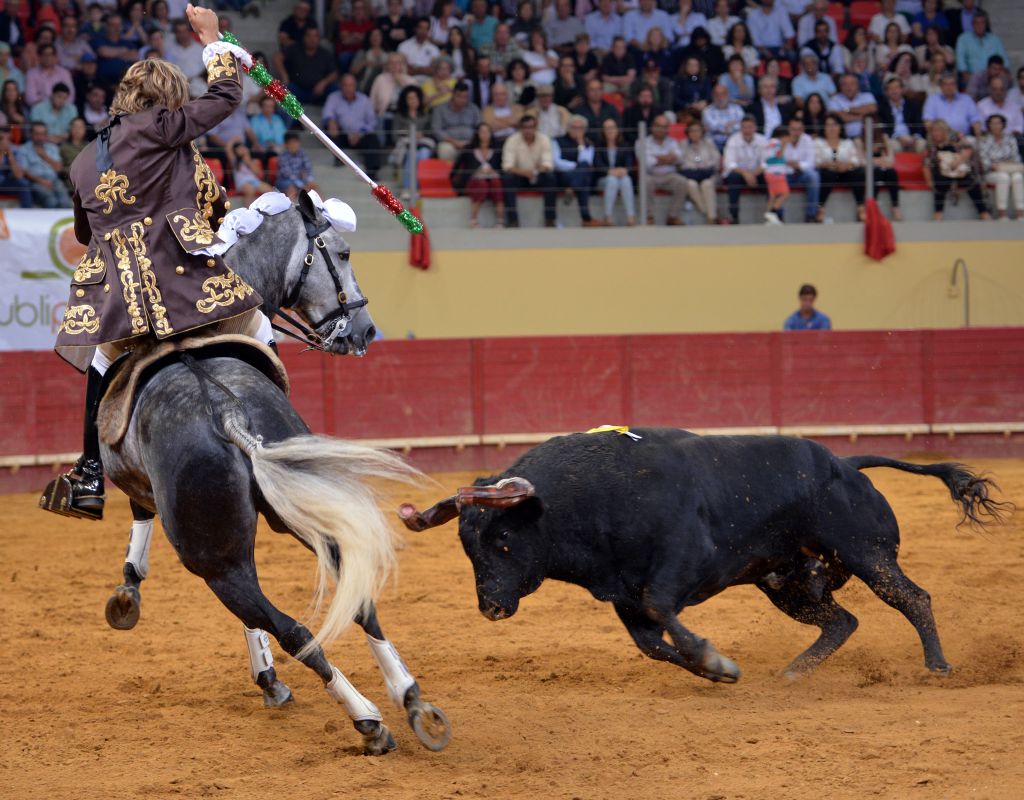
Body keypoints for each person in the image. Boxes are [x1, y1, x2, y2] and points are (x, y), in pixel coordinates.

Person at [48, 5, 267, 520]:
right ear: (166, 100)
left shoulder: (83, 160)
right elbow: (226, 96)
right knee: (258, 323)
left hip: (121, 305)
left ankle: (89, 473)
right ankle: (275, 434)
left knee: (102, 362)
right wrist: (212, 41)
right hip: (181, 285)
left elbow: (84, 234)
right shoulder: (161, 126)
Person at [500, 113, 556, 228]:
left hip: (538, 175)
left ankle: (550, 219)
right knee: (507, 179)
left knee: (550, 178)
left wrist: (536, 171)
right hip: (519, 176)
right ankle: (513, 220)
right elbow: (507, 166)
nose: (528, 130)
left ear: (536, 127)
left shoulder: (544, 139)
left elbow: (548, 163)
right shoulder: (512, 140)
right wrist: (526, 173)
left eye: (531, 127)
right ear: (520, 128)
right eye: (525, 127)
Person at [323, 73, 382, 180]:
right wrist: (331, 121)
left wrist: (360, 133)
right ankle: (338, 159)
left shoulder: (364, 99)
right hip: (342, 134)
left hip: (360, 135)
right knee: (330, 128)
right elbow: (327, 114)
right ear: (341, 86)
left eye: (351, 85)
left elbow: (372, 122)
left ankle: (372, 173)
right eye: (345, 85)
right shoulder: (333, 97)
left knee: (373, 139)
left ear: (355, 86)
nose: (348, 88)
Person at [815, 113, 866, 221]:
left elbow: (856, 159)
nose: (831, 128)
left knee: (858, 173)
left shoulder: (847, 142)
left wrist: (847, 165)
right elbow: (815, 160)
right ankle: (820, 208)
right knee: (827, 175)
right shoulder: (818, 142)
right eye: (828, 125)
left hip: (845, 172)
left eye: (834, 125)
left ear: (840, 127)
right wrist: (827, 164)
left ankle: (861, 208)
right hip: (827, 172)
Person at [641, 114, 686, 225]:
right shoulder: (644, 142)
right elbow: (648, 163)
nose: (661, 129)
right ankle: (649, 217)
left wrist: (658, 158)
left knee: (682, 182)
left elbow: (680, 159)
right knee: (645, 182)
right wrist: (669, 158)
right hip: (651, 175)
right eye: (659, 126)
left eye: (665, 127)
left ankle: (672, 216)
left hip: (669, 175)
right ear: (653, 127)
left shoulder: (672, 142)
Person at [553, 113, 597, 226]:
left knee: (585, 172)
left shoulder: (588, 144)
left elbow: (587, 161)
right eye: (574, 127)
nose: (577, 130)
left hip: (578, 177)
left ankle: (571, 189)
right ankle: (586, 217)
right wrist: (575, 166)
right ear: (568, 128)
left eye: (580, 128)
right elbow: (556, 162)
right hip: (563, 176)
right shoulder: (557, 141)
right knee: (584, 176)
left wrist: (581, 143)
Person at [722, 114, 766, 224]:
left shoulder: (762, 140)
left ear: (755, 128)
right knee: (733, 178)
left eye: (750, 127)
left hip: (757, 173)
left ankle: (774, 213)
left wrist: (753, 174)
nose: (747, 130)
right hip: (739, 174)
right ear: (740, 128)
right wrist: (746, 174)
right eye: (744, 127)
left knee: (771, 177)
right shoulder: (733, 140)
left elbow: (766, 163)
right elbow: (730, 164)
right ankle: (734, 216)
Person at [275, 26, 337, 104]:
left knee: (335, 89)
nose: (312, 39)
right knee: (284, 89)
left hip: (318, 92)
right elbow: (277, 58)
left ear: (319, 39)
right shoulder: (295, 49)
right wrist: (284, 75)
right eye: (309, 36)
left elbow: (334, 73)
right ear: (304, 37)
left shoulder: (324, 53)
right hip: (298, 90)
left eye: (315, 36)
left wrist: (323, 83)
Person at [979, 114, 1024, 221]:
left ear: (1003, 125)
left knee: (1018, 177)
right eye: (993, 123)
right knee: (1003, 177)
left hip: (1010, 169)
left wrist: (1002, 163)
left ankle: (1020, 213)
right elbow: (985, 161)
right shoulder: (984, 140)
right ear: (989, 125)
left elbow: (1016, 157)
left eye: (998, 123)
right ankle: (1002, 213)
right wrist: (996, 165)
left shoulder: (1010, 138)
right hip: (991, 172)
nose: (996, 126)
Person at [17, 121, 71, 207]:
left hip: (54, 181)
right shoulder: (23, 149)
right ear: (31, 134)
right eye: (37, 134)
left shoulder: (53, 148)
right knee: (51, 201)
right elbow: (24, 171)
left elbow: (58, 168)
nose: (40, 137)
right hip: (35, 182)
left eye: (42, 134)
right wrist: (41, 181)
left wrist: (44, 156)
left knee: (65, 202)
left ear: (46, 135)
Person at [593, 116, 634, 226]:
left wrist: (623, 170)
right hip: (603, 179)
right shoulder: (598, 145)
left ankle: (630, 216)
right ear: (603, 131)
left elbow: (629, 164)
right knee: (612, 180)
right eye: (607, 128)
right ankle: (608, 216)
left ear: (617, 129)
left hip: (621, 177)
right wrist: (609, 172)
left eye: (612, 128)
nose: (610, 131)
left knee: (626, 180)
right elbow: (597, 164)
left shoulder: (625, 145)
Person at [679, 119, 719, 224]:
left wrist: (704, 166)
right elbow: (682, 163)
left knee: (707, 184)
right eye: (692, 131)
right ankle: (706, 211)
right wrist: (696, 167)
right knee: (690, 184)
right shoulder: (683, 144)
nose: (695, 133)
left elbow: (716, 160)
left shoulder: (708, 143)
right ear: (688, 132)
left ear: (702, 132)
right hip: (691, 175)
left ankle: (711, 217)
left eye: (697, 130)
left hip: (708, 174)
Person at [955, 10, 1006, 90]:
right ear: (972, 25)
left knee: (1005, 81)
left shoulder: (995, 40)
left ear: (986, 24)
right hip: (971, 77)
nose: (980, 25)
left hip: (993, 77)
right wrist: (968, 76)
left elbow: (1004, 60)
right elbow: (960, 61)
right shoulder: (963, 39)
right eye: (977, 23)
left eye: (982, 23)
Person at [782, 113, 819, 222]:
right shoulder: (782, 141)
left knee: (813, 176)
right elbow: (778, 163)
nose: (796, 132)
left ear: (803, 129)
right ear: (788, 129)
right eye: (793, 129)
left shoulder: (807, 140)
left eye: (799, 129)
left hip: (802, 174)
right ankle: (778, 216)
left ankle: (811, 215)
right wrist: (784, 146)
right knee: (776, 177)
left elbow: (811, 163)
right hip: (786, 175)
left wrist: (796, 165)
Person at [922, 72, 980, 137]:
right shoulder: (932, 100)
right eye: (946, 84)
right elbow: (928, 123)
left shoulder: (966, 99)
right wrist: (953, 134)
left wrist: (978, 137)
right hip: (941, 139)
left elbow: (975, 120)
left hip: (964, 138)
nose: (949, 87)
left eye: (952, 84)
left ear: (956, 86)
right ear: (941, 86)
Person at [877, 76, 924, 152]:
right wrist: (898, 138)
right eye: (890, 88)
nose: (894, 91)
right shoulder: (882, 107)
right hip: (894, 138)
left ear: (902, 89)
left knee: (921, 144)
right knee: (894, 146)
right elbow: (883, 128)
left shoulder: (912, 105)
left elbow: (918, 123)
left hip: (911, 137)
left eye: (896, 87)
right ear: (887, 92)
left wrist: (914, 138)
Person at [827, 73, 877, 139]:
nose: (849, 87)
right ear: (840, 87)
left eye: (852, 84)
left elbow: (873, 109)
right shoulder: (834, 100)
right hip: (843, 139)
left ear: (858, 85)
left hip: (865, 138)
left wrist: (847, 110)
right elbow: (837, 118)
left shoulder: (867, 96)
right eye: (845, 84)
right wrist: (862, 116)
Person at [25, 43, 74, 107]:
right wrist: (48, 107)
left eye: (51, 54)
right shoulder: (31, 73)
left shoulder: (64, 73)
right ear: (39, 57)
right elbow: (30, 97)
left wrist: (59, 105)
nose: (49, 57)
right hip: (40, 109)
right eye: (45, 55)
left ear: (55, 56)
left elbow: (71, 95)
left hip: (62, 108)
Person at [869, 129, 902, 220]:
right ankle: (872, 207)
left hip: (884, 169)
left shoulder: (884, 138)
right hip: (871, 172)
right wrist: (879, 161)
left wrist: (878, 161)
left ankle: (895, 206)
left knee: (891, 172)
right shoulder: (861, 140)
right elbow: (863, 161)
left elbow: (891, 162)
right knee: (876, 172)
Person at [277, 131, 321, 199]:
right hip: (286, 181)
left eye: (296, 142)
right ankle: (291, 205)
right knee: (291, 189)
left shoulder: (303, 154)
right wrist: (302, 185)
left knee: (315, 187)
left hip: (301, 179)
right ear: (286, 145)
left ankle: (320, 205)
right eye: (291, 143)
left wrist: (310, 181)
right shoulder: (283, 156)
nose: (294, 145)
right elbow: (288, 174)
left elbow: (308, 169)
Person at [369, 52, 415, 117]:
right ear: (388, 65)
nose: (394, 65)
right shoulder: (380, 79)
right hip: (384, 114)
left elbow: (414, 99)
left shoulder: (410, 80)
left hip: (404, 117)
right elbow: (372, 101)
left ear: (403, 64)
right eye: (391, 63)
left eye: (398, 62)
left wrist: (399, 80)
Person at [703, 82, 744, 150]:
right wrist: (731, 125)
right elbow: (712, 127)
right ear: (712, 96)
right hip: (714, 144)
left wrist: (721, 126)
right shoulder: (707, 111)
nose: (720, 97)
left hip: (734, 143)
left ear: (728, 95)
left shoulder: (737, 109)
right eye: (717, 95)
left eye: (723, 94)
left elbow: (742, 125)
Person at [399, 17, 442, 81]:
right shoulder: (404, 46)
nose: (423, 31)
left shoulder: (434, 49)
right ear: (415, 29)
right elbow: (403, 69)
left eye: (426, 29)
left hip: (428, 82)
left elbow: (435, 70)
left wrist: (415, 69)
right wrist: (425, 69)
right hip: (407, 81)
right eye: (421, 28)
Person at [0, 124, 31, 207]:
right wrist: (1, 152)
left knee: (24, 184)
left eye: (8, 139)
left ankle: (28, 212)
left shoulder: (15, 150)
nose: (4, 142)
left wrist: (9, 154)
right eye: (1, 139)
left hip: (6, 183)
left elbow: (19, 175)